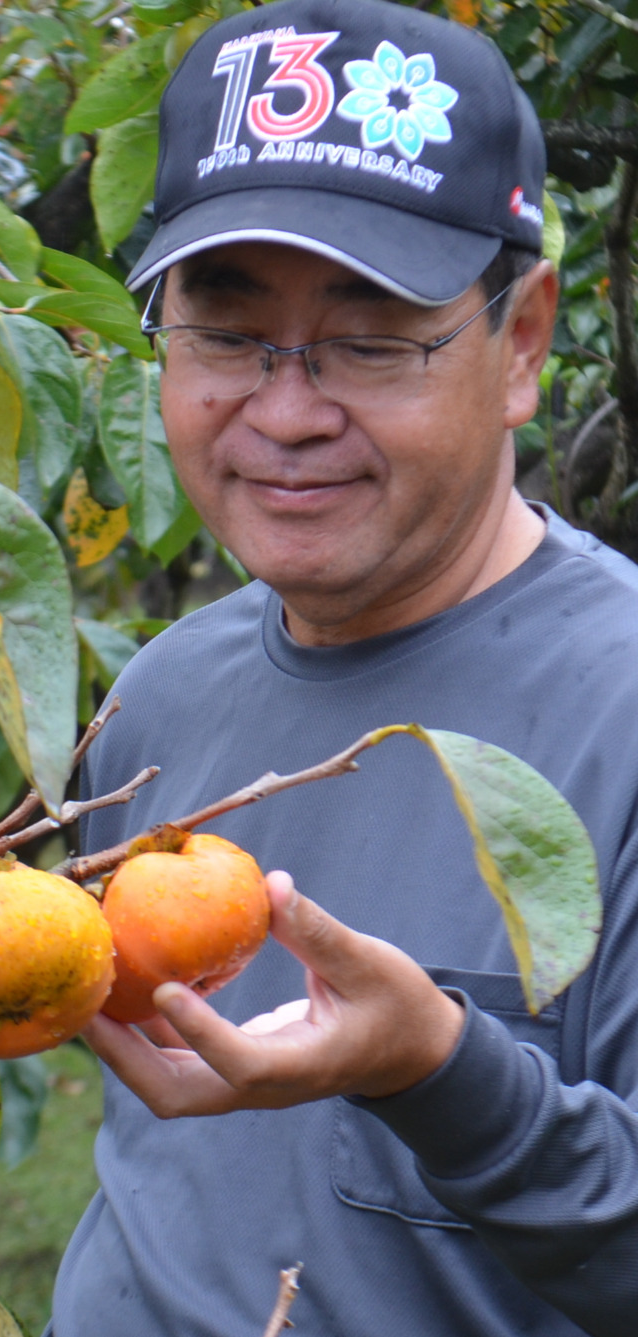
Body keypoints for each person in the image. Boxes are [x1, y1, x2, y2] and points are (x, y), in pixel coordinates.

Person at [48, 1, 638, 1334]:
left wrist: (442, 1068)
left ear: (525, 339)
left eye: (373, 339)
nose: (288, 409)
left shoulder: (623, 712)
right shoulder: (159, 692)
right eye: (226, 329)